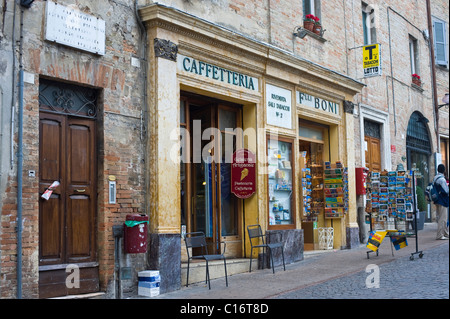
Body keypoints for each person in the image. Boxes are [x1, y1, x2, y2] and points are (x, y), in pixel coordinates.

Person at [433, 164, 449, 240]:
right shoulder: (442, 180)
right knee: (443, 218)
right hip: (443, 200)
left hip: (437, 200)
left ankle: (446, 233)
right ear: (444, 170)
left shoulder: (435, 178)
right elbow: (446, 191)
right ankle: (440, 235)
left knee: (442, 218)